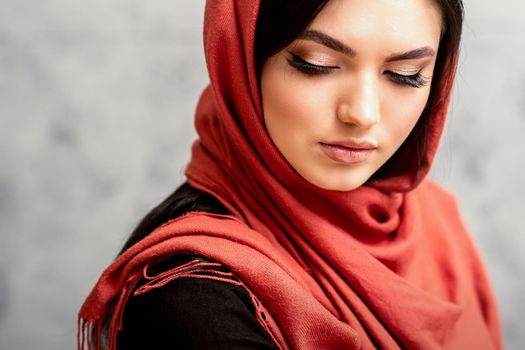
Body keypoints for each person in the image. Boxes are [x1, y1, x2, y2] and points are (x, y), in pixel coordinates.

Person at [78, 0, 503, 349]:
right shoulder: (192, 299)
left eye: (406, 75)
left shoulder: (432, 219)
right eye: (316, 64)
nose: (363, 113)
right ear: (242, 59)